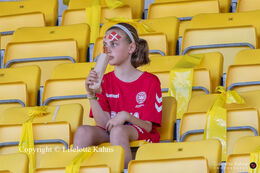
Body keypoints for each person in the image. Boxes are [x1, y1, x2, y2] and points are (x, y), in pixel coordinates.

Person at [73, 23, 162, 168]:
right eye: (105, 45)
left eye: (114, 44)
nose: (108, 50)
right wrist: (92, 95)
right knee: (83, 131)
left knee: (118, 131)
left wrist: (126, 116)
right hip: (112, 131)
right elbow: (103, 125)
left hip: (140, 132)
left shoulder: (150, 81)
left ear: (131, 48)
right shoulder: (104, 80)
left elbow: (147, 126)